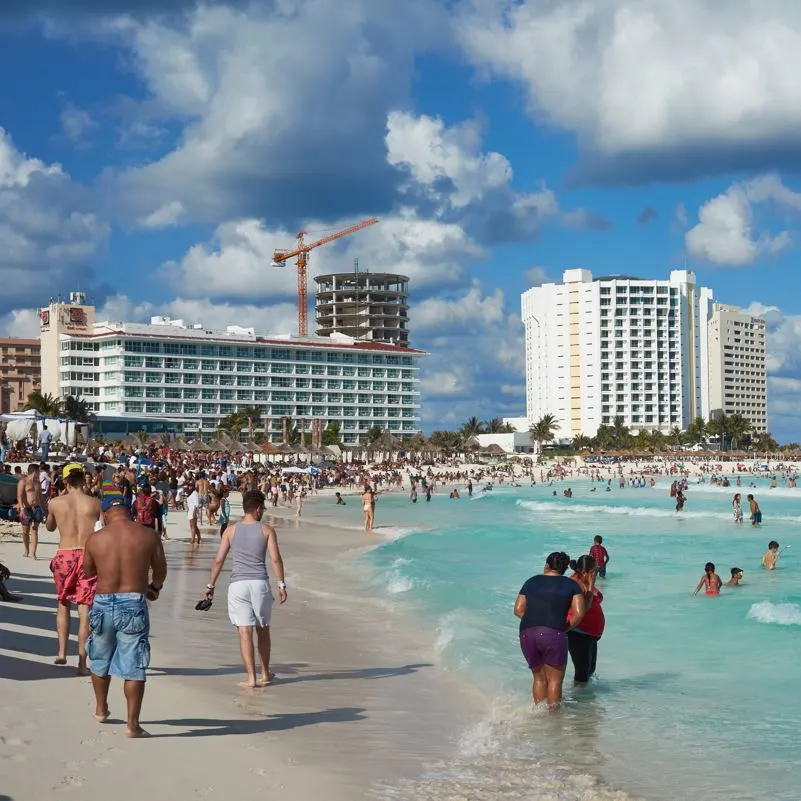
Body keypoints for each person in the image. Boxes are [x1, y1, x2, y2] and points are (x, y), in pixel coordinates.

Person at [82, 481, 167, 738]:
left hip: (103, 601)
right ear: (129, 511)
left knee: (100, 659)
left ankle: (101, 708)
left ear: (106, 514)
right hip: (133, 601)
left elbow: (88, 572)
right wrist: (154, 587)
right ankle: (132, 725)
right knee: (134, 666)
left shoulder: (95, 538)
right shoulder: (147, 535)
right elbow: (161, 570)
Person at [202, 490, 287, 689]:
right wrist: (281, 584)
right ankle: (265, 673)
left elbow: (218, 560)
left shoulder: (230, 531)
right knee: (263, 630)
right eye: (263, 508)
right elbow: (275, 559)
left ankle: (251, 678)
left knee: (244, 631)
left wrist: (210, 585)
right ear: (258, 508)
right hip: (260, 584)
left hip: (238, 585)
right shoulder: (266, 530)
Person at [45, 464, 101, 673]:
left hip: (65, 555)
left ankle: (61, 653)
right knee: (85, 609)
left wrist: (56, 505)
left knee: (63, 603)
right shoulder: (95, 503)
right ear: (83, 480)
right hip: (87, 555)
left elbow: (50, 527)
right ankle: (81, 662)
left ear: (66, 481)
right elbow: (101, 531)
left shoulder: (56, 503)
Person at [514, 551, 586, 709]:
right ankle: (553, 722)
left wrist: (535, 622)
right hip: (553, 633)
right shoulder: (572, 585)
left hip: (527, 632)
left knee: (539, 679)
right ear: (564, 569)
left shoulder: (531, 581)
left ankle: (539, 715)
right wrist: (563, 628)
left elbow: (518, 609)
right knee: (554, 680)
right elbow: (579, 613)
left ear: (547, 565)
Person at [567, 555, 605, 685]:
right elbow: (584, 608)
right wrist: (592, 584)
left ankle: (587, 701)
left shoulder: (584, 581)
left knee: (590, 670)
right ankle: (579, 702)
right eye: (594, 570)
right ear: (584, 572)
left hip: (589, 635)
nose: (596, 572)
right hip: (578, 633)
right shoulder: (575, 584)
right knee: (582, 674)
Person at [17, 463, 44, 559]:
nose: (40, 474)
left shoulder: (38, 483)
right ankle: (26, 550)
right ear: (35, 471)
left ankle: (33, 553)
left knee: (34, 530)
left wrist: (45, 508)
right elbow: (19, 497)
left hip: (36, 508)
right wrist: (22, 509)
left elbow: (41, 497)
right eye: (39, 472)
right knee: (25, 531)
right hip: (26, 508)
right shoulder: (23, 482)